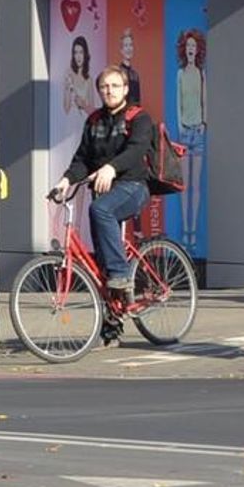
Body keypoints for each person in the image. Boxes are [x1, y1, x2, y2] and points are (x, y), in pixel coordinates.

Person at [53, 65, 152, 341]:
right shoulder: (94, 120)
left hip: (133, 186)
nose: (109, 91)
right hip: (104, 192)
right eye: (104, 87)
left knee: (99, 210)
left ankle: (122, 273)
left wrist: (110, 168)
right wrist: (64, 181)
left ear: (125, 89)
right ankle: (112, 324)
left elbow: (137, 150)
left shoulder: (139, 117)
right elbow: (82, 158)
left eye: (114, 86)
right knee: (101, 266)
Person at [176, 28, 207, 250]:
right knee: (183, 185)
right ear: (184, 49)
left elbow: (205, 100)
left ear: (198, 50)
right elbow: (178, 102)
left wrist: (205, 123)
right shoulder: (180, 74)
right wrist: (179, 127)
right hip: (184, 131)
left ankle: (192, 231)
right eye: (188, 46)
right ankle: (185, 229)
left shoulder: (201, 74)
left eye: (193, 46)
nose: (190, 50)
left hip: (198, 132)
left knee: (196, 186)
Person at [62, 35, 97, 120]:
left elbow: (93, 111)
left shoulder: (89, 80)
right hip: (71, 122)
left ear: (85, 54)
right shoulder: (68, 74)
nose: (78, 56)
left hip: (84, 121)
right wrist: (67, 89)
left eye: (81, 52)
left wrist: (83, 105)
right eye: (75, 52)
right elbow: (66, 109)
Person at [119, 27, 142, 104]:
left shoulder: (135, 75)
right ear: (121, 50)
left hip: (135, 114)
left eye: (131, 45)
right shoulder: (117, 73)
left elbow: (138, 101)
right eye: (126, 45)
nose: (129, 48)